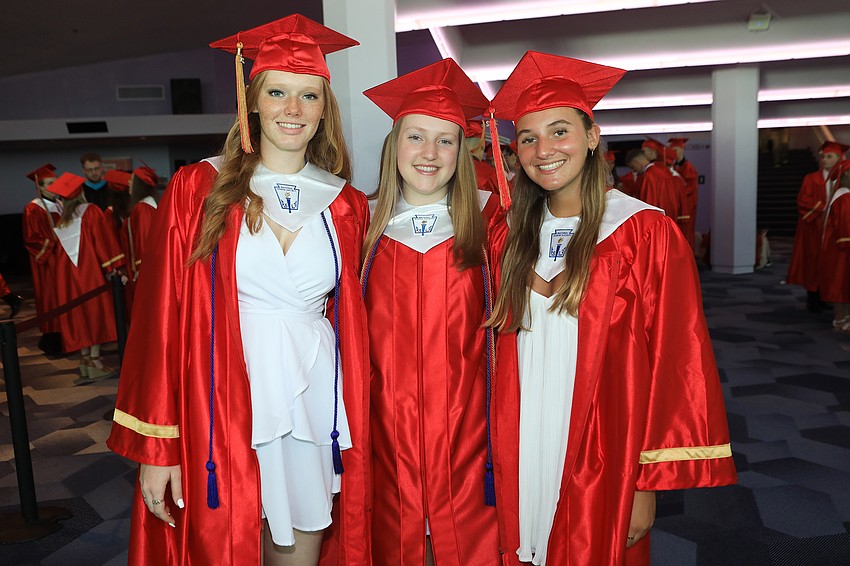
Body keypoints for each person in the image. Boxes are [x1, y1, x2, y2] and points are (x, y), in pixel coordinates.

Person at [105, 15, 370, 566]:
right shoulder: (199, 188)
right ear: (253, 101)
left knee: (301, 541)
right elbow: (160, 320)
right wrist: (160, 444)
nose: (292, 110)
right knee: (230, 537)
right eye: (278, 93)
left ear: (325, 109)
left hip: (313, 395)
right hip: (222, 394)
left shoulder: (346, 204)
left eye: (308, 96)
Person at [487, 51, 737, 565]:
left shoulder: (644, 231)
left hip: (606, 442)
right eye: (528, 138)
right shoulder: (507, 235)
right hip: (523, 428)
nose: (543, 150)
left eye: (559, 131)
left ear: (592, 136)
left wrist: (645, 480)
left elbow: (676, 358)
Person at [361, 58, 501, 566]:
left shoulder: (491, 228)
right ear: (393, 145)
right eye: (416, 136)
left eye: (446, 140)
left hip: (469, 427)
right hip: (380, 423)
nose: (430, 153)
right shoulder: (357, 226)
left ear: (461, 152)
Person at [48, 172, 124, 378]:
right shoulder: (90, 212)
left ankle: (84, 359)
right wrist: (113, 267)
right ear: (81, 192)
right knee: (94, 312)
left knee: (79, 315)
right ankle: (95, 360)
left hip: (67, 277)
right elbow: (102, 241)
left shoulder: (62, 219)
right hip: (89, 273)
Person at [787, 141, 848, 312]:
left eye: (829, 156)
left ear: (839, 158)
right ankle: (812, 299)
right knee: (812, 260)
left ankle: (826, 296)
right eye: (823, 157)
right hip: (814, 226)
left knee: (830, 262)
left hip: (832, 228)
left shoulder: (842, 180)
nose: (825, 160)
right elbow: (803, 201)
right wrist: (821, 207)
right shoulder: (811, 178)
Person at [22, 164, 62, 341]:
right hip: (48, 261)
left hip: (62, 258)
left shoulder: (60, 204)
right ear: (40, 186)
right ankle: (52, 338)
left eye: (55, 182)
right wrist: (55, 241)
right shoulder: (33, 208)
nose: (54, 187)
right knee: (50, 297)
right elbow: (31, 238)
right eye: (49, 184)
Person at [818, 159, 850, 332]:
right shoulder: (844, 197)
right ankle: (839, 320)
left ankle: (844, 317)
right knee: (840, 284)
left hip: (841, 247)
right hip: (842, 249)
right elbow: (845, 226)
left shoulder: (842, 194)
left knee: (844, 284)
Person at [625, 148, 682, 221]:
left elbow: (649, 202)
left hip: (657, 219)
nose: (634, 171)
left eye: (633, 167)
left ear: (637, 162)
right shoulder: (663, 169)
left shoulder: (648, 176)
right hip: (670, 215)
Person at [669, 137, 699, 250]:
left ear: (682, 150)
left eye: (675, 150)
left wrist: (675, 192)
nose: (673, 153)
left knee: (686, 234)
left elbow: (690, 188)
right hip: (679, 205)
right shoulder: (674, 166)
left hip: (687, 206)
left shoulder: (688, 168)